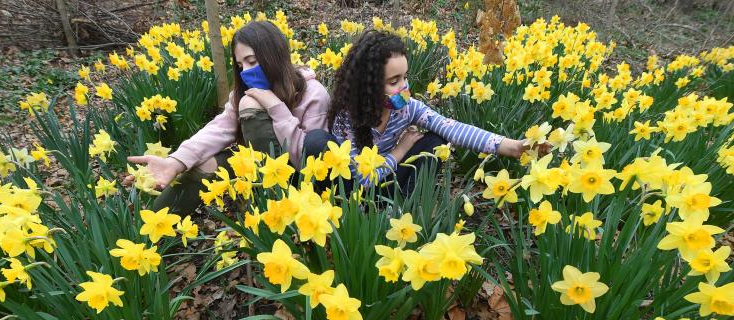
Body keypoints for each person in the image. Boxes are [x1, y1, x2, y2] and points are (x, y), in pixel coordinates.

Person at [303, 29, 549, 196]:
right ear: (368, 85)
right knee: (319, 142)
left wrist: (514, 147)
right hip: (356, 195)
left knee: (436, 140)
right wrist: (400, 150)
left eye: (405, 76)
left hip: (389, 183)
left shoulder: (406, 107)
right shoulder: (348, 120)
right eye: (394, 81)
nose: (404, 86)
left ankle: (403, 208)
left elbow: (454, 128)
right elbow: (364, 182)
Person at [126, 20, 330, 215]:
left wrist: (275, 107)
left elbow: (309, 161)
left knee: (251, 105)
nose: (247, 72)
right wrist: (176, 161)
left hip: (295, 179)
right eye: (241, 66)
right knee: (203, 166)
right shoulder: (245, 92)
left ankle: (268, 203)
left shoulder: (313, 94)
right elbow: (218, 129)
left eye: (252, 61)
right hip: (254, 165)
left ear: (275, 57)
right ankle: (150, 227)